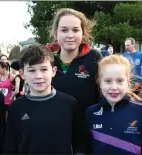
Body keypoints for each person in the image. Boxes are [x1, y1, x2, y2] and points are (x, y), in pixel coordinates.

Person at [4, 43, 82, 154]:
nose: (38, 76)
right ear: (22, 74)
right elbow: (10, 147)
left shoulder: (69, 104)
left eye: (44, 69)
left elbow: (80, 145)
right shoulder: (16, 107)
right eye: (32, 70)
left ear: (54, 71)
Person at [46, 8, 103, 153]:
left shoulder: (94, 58)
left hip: (86, 137)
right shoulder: (47, 60)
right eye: (64, 30)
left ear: (83, 33)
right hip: (53, 135)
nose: (70, 35)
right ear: (55, 33)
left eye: (75, 30)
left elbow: (107, 92)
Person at [85, 55, 142, 154]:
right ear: (99, 82)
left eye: (120, 81)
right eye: (107, 81)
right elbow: (86, 149)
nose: (114, 87)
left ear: (127, 82)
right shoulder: (91, 113)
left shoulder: (141, 111)